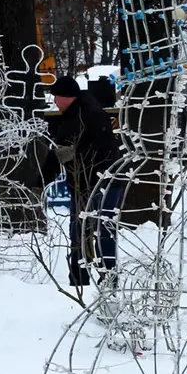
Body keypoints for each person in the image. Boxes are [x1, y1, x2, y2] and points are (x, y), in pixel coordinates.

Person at [40, 75, 123, 287]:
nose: (55, 101)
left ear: (66, 96)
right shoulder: (71, 116)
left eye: (56, 96)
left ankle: (108, 280)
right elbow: (57, 151)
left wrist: (75, 154)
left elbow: (103, 149)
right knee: (79, 232)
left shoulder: (90, 114)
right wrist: (41, 180)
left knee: (102, 232)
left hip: (101, 184)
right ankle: (80, 280)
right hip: (83, 185)